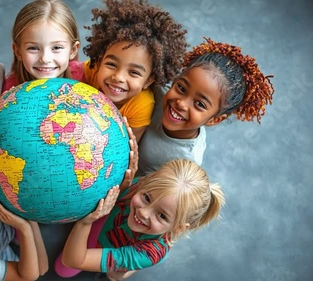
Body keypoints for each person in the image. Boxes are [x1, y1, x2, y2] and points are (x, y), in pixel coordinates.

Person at [57, 159, 225, 280]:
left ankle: (123, 272)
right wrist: (122, 187)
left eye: (161, 215)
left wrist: (84, 223)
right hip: (111, 226)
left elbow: (71, 260)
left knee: (104, 274)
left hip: (133, 248)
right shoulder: (140, 186)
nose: (144, 212)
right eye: (146, 198)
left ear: (178, 228)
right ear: (146, 182)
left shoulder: (149, 252)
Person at [137, 37, 275, 175]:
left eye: (200, 104)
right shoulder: (156, 92)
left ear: (214, 120)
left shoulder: (186, 164)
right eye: (181, 88)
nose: (181, 103)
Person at [81, 0, 188, 141]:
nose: (118, 77)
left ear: (148, 81)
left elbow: (130, 146)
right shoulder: (91, 70)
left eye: (134, 73)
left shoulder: (141, 105)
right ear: (100, 60)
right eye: (112, 64)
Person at [3, 0, 81, 92]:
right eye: (33, 48)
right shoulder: (9, 90)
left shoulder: (86, 76)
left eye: (56, 47)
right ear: (18, 51)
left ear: (73, 50)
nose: (45, 59)